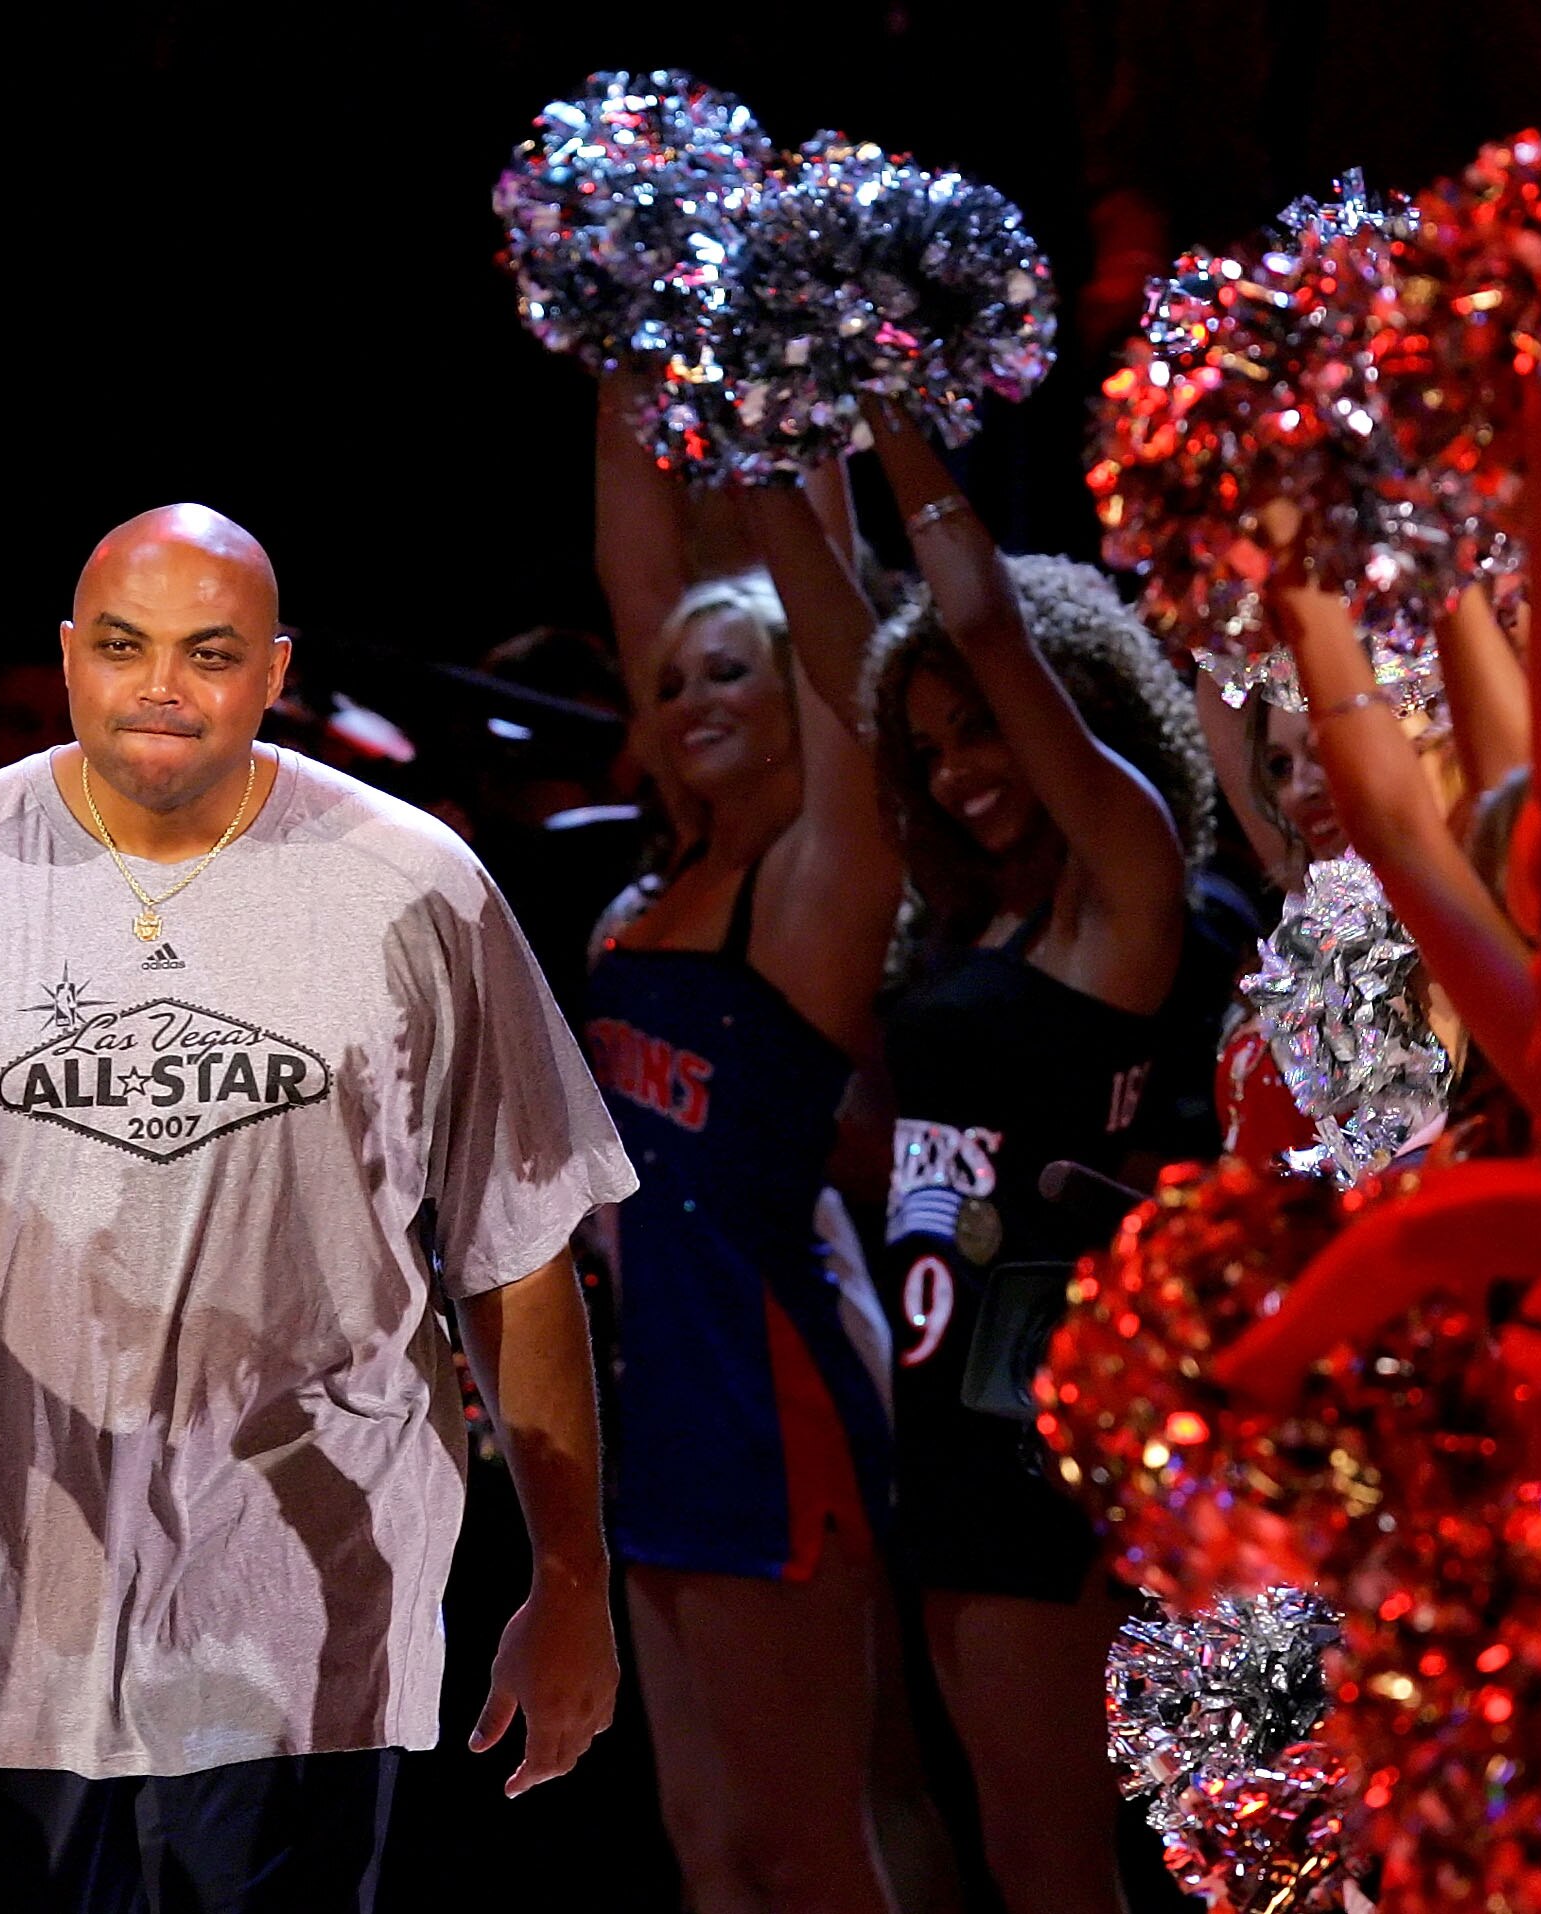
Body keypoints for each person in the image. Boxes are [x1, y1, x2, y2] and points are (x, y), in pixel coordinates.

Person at [0, 504, 634, 1914]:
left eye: (207, 653)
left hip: (303, 1617)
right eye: (126, 648)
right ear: (70, 658)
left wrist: (571, 1574)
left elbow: (513, 1251)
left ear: (274, 669)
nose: (159, 688)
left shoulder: (416, 888)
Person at [857, 415, 1212, 1914]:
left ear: (1076, 710)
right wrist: (790, 441)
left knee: (1060, 1859)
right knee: (1019, 1849)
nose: (959, 772)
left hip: (1041, 1412)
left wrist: (877, 399)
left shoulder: (1123, 889)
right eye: (930, 748)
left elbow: (983, 620)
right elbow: (847, 649)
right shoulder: (984, 919)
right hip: (943, 1415)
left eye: (987, 728)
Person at [583, 424, 911, 1912]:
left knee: (809, 1849)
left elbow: (850, 644)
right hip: (647, 1395)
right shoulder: (655, 887)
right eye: (671, 681)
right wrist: (614, 342)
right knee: (708, 1849)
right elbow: (632, 569)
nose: (695, 693)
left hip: (759, 1379)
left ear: (800, 692)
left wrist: (795, 421)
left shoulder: (815, 885)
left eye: (734, 669)